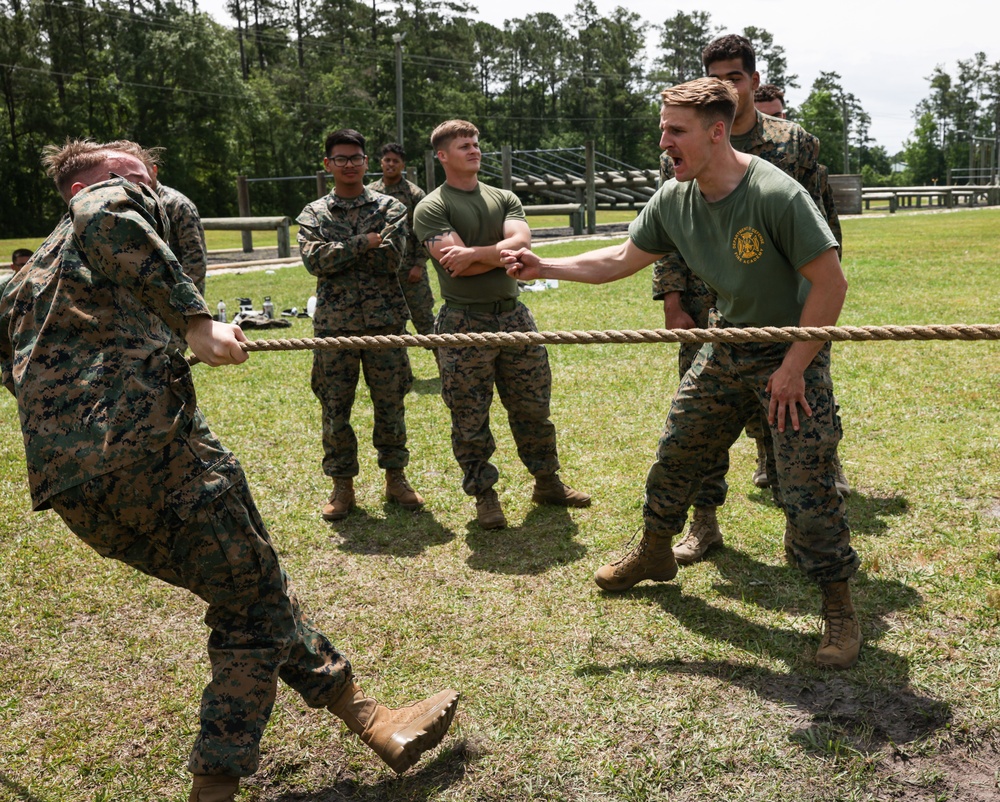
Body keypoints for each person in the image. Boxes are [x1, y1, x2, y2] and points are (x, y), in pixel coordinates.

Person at [0, 139, 460, 802]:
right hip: (152, 453)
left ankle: (373, 722)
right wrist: (194, 322)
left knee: (253, 589)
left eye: (150, 177)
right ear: (83, 185)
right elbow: (106, 213)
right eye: (132, 175)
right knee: (249, 609)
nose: (147, 188)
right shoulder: (98, 203)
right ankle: (214, 790)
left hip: (78, 490)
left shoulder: (29, 278)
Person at [503, 78, 861, 670]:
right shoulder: (674, 196)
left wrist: (796, 367)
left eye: (675, 131)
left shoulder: (775, 194)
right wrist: (547, 264)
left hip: (788, 352)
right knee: (678, 452)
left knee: (807, 486)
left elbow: (831, 284)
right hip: (725, 346)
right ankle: (654, 551)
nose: (663, 141)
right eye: (662, 129)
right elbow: (621, 257)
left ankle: (839, 608)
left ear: (716, 132)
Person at [652, 33, 849, 568]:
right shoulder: (683, 141)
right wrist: (673, 298)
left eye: (735, 77)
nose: (727, 87)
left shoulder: (791, 147)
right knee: (695, 429)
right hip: (709, 307)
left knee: (791, 427)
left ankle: (805, 531)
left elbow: (823, 235)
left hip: (779, 312)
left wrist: (808, 325)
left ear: (753, 81)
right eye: (716, 78)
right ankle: (701, 522)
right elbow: (665, 230)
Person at [412, 119, 590, 529]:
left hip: (513, 316)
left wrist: (472, 253)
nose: (474, 149)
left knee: (533, 406)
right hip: (462, 321)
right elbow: (455, 269)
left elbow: (521, 244)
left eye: (475, 143)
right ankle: (485, 496)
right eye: (463, 145)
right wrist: (494, 254)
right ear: (442, 156)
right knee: (469, 415)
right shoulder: (432, 206)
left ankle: (547, 482)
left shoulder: (504, 197)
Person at [297, 129, 424, 521]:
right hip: (334, 326)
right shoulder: (314, 212)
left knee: (391, 403)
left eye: (355, 158)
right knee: (335, 408)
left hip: (385, 322)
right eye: (341, 159)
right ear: (327, 165)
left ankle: (396, 477)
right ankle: (342, 485)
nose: (349, 164)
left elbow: (391, 260)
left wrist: (346, 250)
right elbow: (313, 261)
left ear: (366, 162)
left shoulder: (392, 207)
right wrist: (363, 243)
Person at [367, 143, 437, 338]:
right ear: (380, 163)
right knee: (389, 326)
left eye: (395, 161)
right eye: (387, 160)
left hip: (410, 272)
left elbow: (424, 233)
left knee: (425, 324)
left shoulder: (414, 194)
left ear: (403, 165)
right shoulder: (370, 193)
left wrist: (419, 265)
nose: (391, 164)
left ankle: (444, 367)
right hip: (381, 272)